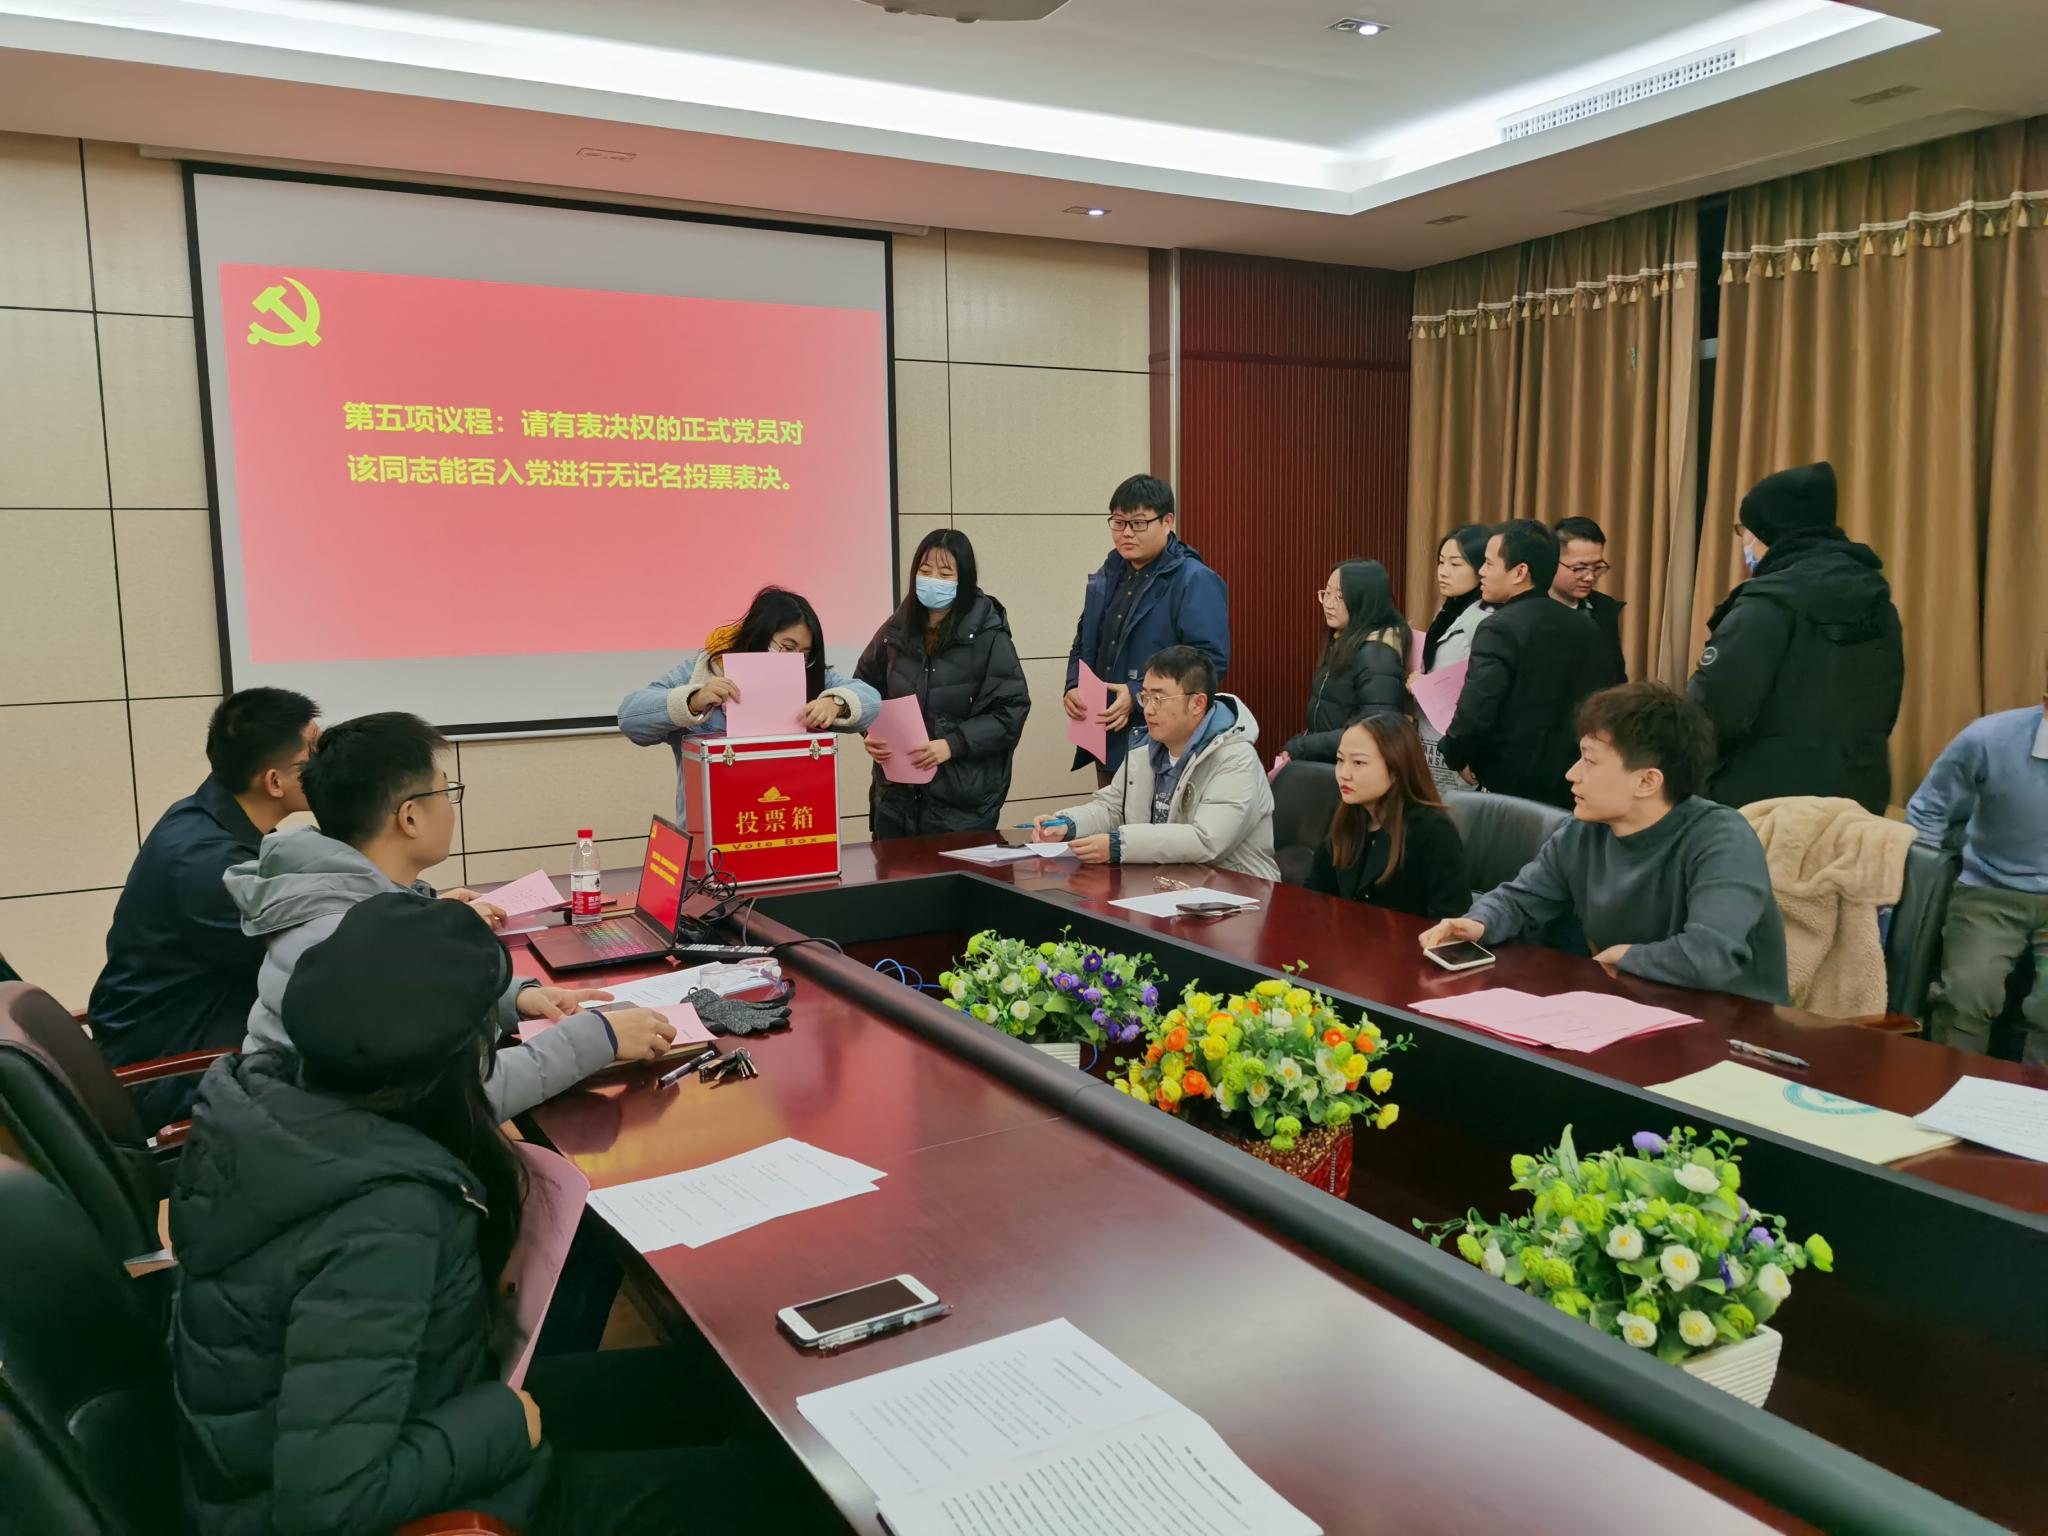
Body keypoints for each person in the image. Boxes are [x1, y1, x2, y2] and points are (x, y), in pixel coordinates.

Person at [170, 893, 827, 1535]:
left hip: (397, 1408)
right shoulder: (385, 1216)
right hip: (413, 1498)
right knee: (781, 1497)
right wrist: (503, 1424)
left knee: (700, 1387)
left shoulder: (268, 1109)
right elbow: (327, 1505)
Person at [227, 712, 677, 1120]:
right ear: (409, 818)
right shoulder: (364, 941)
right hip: (346, 1160)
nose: (449, 806)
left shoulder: (336, 896)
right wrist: (601, 1037)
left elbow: (406, 1011)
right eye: (445, 792)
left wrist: (514, 999)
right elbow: (465, 1095)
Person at [1421, 683, 1790, 1005]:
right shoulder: (1583, 832)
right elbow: (1521, 899)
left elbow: (1710, 956)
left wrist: (1625, 956)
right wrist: (1478, 923)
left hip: (1735, 1029)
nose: (1572, 774)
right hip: (1634, 1007)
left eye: (1589, 760)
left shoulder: (1721, 840)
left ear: (1647, 781)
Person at [86, 688, 319, 1126]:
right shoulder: (208, 864)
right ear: (274, 782)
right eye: (315, 752)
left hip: (190, 1037)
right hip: (173, 1070)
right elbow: (305, 963)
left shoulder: (205, 819)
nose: (329, 763)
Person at [1688, 461, 1904, 814]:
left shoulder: (1767, 605)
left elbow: (1710, 714)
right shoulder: (1877, 603)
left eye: (1744, 530)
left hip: (1762, 807)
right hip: (1858, 801)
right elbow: (1885, 709)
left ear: (1766, 531)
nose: (1744, 541)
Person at [619, 586, 881, 821]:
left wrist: (836, 703)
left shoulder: (811, 677)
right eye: (787, 647)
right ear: (760, 634)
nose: (795, 660)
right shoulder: (703, 671)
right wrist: (693, 700)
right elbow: (630, 718)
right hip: (714, 832)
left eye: (804, 653)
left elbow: (870, 700)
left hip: (789, 822)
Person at [1035, 645, 1277, 878]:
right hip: (1167, 883)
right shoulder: (1145, 748)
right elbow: (1113, 808)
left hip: (1237, 889)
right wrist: (1067, 824)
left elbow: (1206, 840)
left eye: (1158, 699)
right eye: (1145, 697)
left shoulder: (1236, 758)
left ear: (1197, 703)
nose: (1148, 710)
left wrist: (1119, 845)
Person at [1906, 674, 2048, 1063]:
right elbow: (1928, 810)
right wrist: (1920, 891)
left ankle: (2037, 1097)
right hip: (1989, 890)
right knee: (1966, 997)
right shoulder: (1988, 738)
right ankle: (1953, 1087)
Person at [857, 529, 1031, 837]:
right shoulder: (896, 629)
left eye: (945, 573)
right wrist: (869, 730)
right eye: (925, 571)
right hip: (896, 798)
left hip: (960, 803)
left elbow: (1010, 711)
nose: (932, 580)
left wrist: (953, 744)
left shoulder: (989, 635)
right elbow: (864, 687)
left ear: (964, 580)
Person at [1063, 475, 1230, 784]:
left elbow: (1210, 662)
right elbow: (1083, 639)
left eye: (1138, 523)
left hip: (1162, 741)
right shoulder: (1109, 573)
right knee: (1111, 812)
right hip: (1106, 735)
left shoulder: (1194, 580)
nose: (1126, 533)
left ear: (1168, 522)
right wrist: (1073, 684)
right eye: (1118, 522)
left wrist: (1136, 692)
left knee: (1148, 816)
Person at [1438, 520, 1607, 809]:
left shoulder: (1498, 628)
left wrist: (1456, 754)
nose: (1481, 572)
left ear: (1519, 572)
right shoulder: (1588, 628)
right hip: (1573, 784)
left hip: (1509, 788)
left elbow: (1477, 708)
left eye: (1489, 563)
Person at [1309, 713, 1469, 919]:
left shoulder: (1433, 830)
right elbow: (1315, 897)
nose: (1343, 774)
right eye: (1340, 760)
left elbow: (1450, 920)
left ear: (1396, 769)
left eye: (1358, 762)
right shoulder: (1344, 816)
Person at [1273, 559, 1410, 771]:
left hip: (1354, 771)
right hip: (1333, 763)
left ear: (1364, 600)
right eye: (1327, 593)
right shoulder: (1345, 641)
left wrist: (1303, 746)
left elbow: (1373, 731)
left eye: (1340, 596)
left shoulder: (1377, 655)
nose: (1328, 603)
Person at [1415, 524, 1494, 793]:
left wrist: (1423, 686)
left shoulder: (1486, 619)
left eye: (1456, 564)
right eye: (1441, 562)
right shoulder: (1449, 611)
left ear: (1481, 567)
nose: (1443, 571)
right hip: (1433, 737)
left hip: (1460, 744)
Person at [1550, 515, 1628, 687]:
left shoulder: (1604, 610)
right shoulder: (1528, 611)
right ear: (1552, 561)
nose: (1590, 577)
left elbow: (1616, 676)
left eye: (1597, 567)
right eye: (1580, 568)